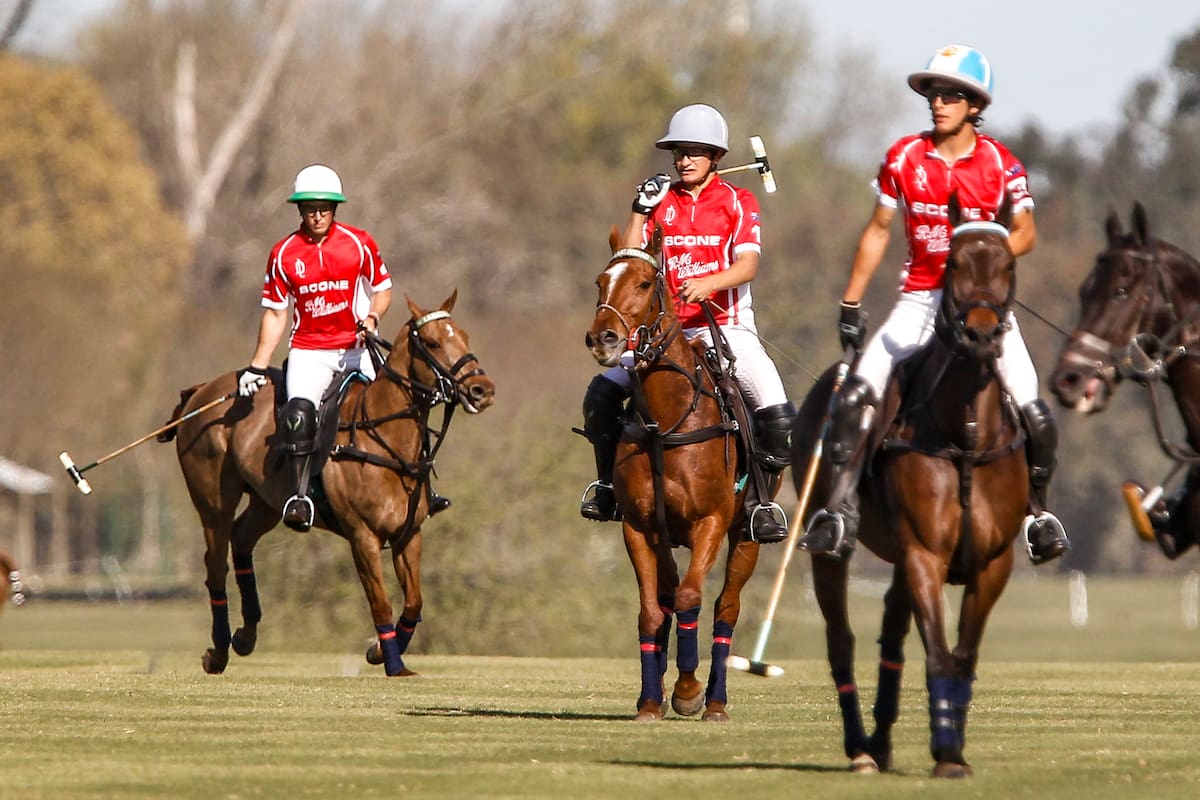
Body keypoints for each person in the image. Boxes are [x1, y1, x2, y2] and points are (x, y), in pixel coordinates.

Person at [796, 45, 1070, 565]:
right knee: (857, 396)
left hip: (983, 307)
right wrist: (850, 302)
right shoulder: (903, 157)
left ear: (973, 105)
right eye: (933, 94)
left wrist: (982, 264)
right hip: (921, 300)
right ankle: (839, 510)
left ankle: (1039, 514)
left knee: (1032, 408)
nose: (936, 103)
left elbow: (1026, 231)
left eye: (949, 95)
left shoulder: (1000, 164)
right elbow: (878, 231)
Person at [579, 104, 796, 544]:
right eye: (679, 151)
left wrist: (710, 283)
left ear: (716, 157)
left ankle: (759, 503)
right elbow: (628, 258)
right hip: (662, 334)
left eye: (696, 151)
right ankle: (607, 487)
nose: (684, 160)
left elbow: (748, 264)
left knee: (778, 417)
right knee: (600, 397)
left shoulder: (738, 201)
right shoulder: (662, 202)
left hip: (726, 328)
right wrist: (641, 208)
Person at [236, 164, 397, 532]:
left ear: (335, 208)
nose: (318, 214)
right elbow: (276, 314)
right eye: (310, 207)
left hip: (356, 348)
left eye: (324, 206)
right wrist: (257, 366)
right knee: (297, 415)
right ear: (299, 210)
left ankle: (421, 487)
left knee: (401, 402)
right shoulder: (284, 253)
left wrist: (371, 317)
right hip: (310, 351)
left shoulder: (359, 243)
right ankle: (300, 496)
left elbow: (383, 289)